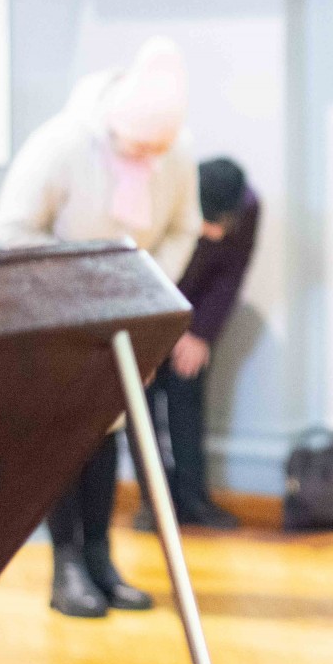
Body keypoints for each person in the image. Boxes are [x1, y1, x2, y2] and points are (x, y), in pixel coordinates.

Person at [0, 38, 201, 618]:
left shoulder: (177, 153)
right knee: (66, 437)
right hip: (58, 309)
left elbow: (184, 226)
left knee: (109, 431)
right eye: (137, 148)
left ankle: (101, 559)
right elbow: (13, 226)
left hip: (127, 310)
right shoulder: (62, 143)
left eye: (155, 150)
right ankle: (66, 569)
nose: (147, 158)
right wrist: (82, 283)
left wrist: (145, 284)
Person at [133, 157, 258, 532]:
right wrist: (152, 332)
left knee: (187, 398)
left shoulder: (250, 208)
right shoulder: (163, 197)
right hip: (148, 313)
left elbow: (231, 275)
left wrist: (200, 333)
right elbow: (141, 265)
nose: (215, 232)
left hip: (194, 318)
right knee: (140, 409)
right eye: (208, 220)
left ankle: (193, 500)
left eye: (224, 223)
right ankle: (154, 503)